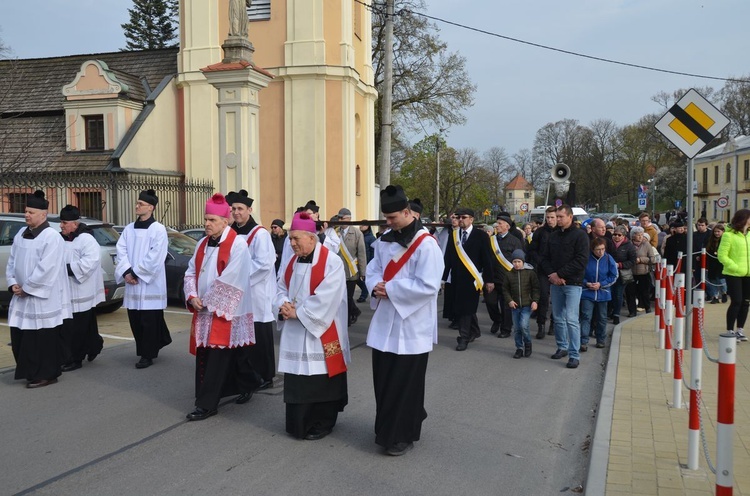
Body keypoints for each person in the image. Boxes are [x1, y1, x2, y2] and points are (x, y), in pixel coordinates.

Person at [366, 185, 443, 456]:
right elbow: (373, 268)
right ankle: (385, 429)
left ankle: (402, 435)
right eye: (386, 219)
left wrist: (392, 290)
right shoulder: (385, 239)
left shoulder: (427, 245)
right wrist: (376, 285)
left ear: (408, 212)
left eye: (392, 218)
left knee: (406, 383)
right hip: (385, 320)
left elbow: (429, 285)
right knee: (385, 380)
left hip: (412, 325)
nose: (387, 224)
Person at [184, 194, 261, 421]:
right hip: (204, 307)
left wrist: (207, 301)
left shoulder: (237, 244)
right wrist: (192, 295)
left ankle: (207, 404)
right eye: (206, 219)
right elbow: (190, 272)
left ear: (225, 222)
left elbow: (233, 277)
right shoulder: (201, 243)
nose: (207, 224)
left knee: (216, 356)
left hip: (226, 310)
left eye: (212, 220)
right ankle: (249, 381)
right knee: (230, 354)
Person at [274, 212, 350, 440]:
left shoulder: (332, 262)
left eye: (296, 238)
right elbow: (278, 287)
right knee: (299, 378)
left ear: (311, 237)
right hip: (295, 330)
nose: (292, 243)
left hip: (323, 330)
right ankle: (298, 423)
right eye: (290, 239)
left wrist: (298, 313)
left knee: (321, 377)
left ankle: (323, 421)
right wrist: (282, 304)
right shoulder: (290, 262)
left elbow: (328, 297)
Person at [7, 191, 72, 388]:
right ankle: (30, 371)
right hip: (21, 296)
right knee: (23, 336)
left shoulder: (51, 237)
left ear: (43, 214)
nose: (26, 215)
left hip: (41, 298)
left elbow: (48, 268)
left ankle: (47, 373)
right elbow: (12, 261)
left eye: (31, 212)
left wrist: (27, 288)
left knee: (42, 338)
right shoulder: (20, 233)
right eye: (26, 211)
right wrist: (12, 283)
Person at [115, 189, 172, 369]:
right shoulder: (128, 229)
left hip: (149, 283)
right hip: (133, 282)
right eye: (137, 203)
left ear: (151, 207)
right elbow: (120, 250)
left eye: (141, 204)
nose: (137, 206)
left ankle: (147, 355)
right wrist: (126, 272)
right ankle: (156, 342)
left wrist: (136, 273)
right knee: (135, 319)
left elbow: (156, 255)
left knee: (149, 320)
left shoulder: (158, 229)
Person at [227, 189, 277, 390]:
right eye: (233, 209)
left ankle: (265, 376)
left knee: (260, 337)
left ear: (250, 209)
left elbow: (264, 264)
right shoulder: (230, 233)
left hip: (256, 293)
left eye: (240, 208)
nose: (236, 212)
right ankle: (245, 372)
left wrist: (239, 279)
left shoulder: (260, 234)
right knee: (242, 337)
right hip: (237, 292)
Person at [539, 205, 589, 369]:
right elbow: (544, 258)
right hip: (555, 282)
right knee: (558, 317)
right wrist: (552, 275)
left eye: (560, 216)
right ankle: (562, 347)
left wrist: (560, 274)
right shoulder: (553, 236)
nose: (558, 219)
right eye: (556, 217)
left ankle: (574, 354)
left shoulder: (580, 235)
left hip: (572, 283)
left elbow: (581, 260)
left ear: (570, 216)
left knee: (572, 319)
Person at [59, 205, 105, 372]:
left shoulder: (86, 239)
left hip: (82, 288)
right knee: (85, 323)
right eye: (61, 222)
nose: (61, 226)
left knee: (78, 326)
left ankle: (75, 359)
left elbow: (91, 261)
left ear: (75, 223)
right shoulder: (60, 239)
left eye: (64, 222)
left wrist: (68, 269)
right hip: (67, 289)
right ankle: (95, 345)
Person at [442, 207, 494, 351]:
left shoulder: (481, 236)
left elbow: (487, 259)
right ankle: (474, 331)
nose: (460, 220)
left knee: (465, 308)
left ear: (471, 219)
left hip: (473, 279)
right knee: (464, 307)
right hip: (457, 278)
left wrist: (489, 280)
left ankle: (463, 337)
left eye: (463, 217)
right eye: (458, 217)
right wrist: (444, 278)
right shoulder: (454, 235)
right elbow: (448, 258)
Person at [487, 213, 523, 338]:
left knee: (506, 305)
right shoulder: (491, 239)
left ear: (507, 226)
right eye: (497, 223)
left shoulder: (515, 241)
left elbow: (519, 259)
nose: (497, 225)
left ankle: (506, 328)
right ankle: (497, 320)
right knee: (490, 302)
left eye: (500, 223)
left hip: (507, 278)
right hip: (492, 277)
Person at [717, 209, 750, 342]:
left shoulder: (748, 235)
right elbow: (722, 255)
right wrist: (734, 266)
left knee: (746, 302)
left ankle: (740, 329)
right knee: (736, 301)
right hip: (733, 273)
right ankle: (730, 329)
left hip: (748, 273)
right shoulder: (728, 235)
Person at [580, 238, 618, 349]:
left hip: (603, 293)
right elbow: (580, 274)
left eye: (602, 249)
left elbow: (614, 276)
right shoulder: (586, 258)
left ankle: (600, 339)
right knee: (586, 316)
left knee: (602, 318)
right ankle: (583, 341)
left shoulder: (608, 258)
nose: (600, 252)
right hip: (587, 292)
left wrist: (601, 284)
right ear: (592, 249)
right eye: (598, 250)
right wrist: (586, 283)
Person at [501, 249, 539, 359]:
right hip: (515, 306)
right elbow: (505, 289)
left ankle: (528, 343)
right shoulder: (509, 274)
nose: (517, 264)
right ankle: (519, 348)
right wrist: (510, 300)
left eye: (519, 262)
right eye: (514, 262)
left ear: (523, 262)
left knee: (524, 326)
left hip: (527, 305)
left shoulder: (530, 273)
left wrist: (535, 301)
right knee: (517, 328)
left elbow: (536, 288)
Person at [526, 206, 556, 339]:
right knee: (543, 297)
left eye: (552, 217)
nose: (550, 220)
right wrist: (539, 261)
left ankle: (554, 324)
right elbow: (532, 250)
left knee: (556, 300)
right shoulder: (540, 232)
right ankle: (541, 325)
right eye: (548, 217)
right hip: (543, 270)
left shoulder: (562, 231)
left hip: (558, 270)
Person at [336, 207, 367, 326]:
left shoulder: (357, 233)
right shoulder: (335, 232)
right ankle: (352, 312)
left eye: (342, 218)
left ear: (349, 219)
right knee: (340, 298)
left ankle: (347, 319)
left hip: (351, 272)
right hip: (338, 272)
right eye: (338, 218)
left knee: (348, 297)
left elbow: (361, 253)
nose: (339, 220)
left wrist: (362, 272)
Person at [609, 225, 637, 323]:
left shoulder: (629, 246)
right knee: (610, 293)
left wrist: (620, 265)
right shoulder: (609, 243)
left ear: (623, 236)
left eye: (619, 235)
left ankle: (616, 314)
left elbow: (633, 261)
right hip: (609, 273)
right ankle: (610, 311)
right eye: (614, 234)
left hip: (622, 274)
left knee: (618, 294)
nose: (616, 236)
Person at [630, 228, 657, 314]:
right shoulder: (629, 244)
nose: (641, 237)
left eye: (642, 235)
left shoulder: (646, 245)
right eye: (638, 235)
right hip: (631, 272)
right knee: (631, 293)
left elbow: (652, 259)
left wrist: (641, 260)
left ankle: (647, 309)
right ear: (633, 235)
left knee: (644, 292)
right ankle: (632, 311)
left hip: (644, 272)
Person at [706, 224, 728, 304]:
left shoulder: (725, 240)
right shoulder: (711, 240)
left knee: (721, 279)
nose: (717, 233)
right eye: (715, 231)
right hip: (712, 262)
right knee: (712, 280)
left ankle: (724, 293)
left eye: (718, 231)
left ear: (723, 232)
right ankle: (715, 296)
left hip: (721, 262)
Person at [356, 223, 376, 302]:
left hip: (367, 261)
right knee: (357, 279)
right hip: (358, 261)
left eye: (363, 225)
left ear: (368, 226)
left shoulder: (371, 238)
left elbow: (373, 252)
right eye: (360, 225)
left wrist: (370, 262)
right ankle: (365, 291)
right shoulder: (359, 236)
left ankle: (364, 295)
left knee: (363, 279)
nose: (361, 226)